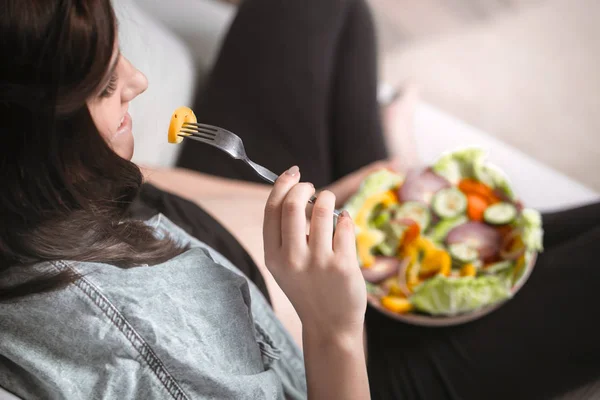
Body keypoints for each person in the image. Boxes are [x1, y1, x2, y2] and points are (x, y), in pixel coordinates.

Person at [0, 3, 598, 400]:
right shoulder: (131, 350)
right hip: (348, 357)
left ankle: (391, 174)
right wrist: (334, 327)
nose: (139, 81)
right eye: (106, 87)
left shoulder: (49, 182)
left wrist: (335, 199)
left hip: (271, 252)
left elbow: (143, 180)